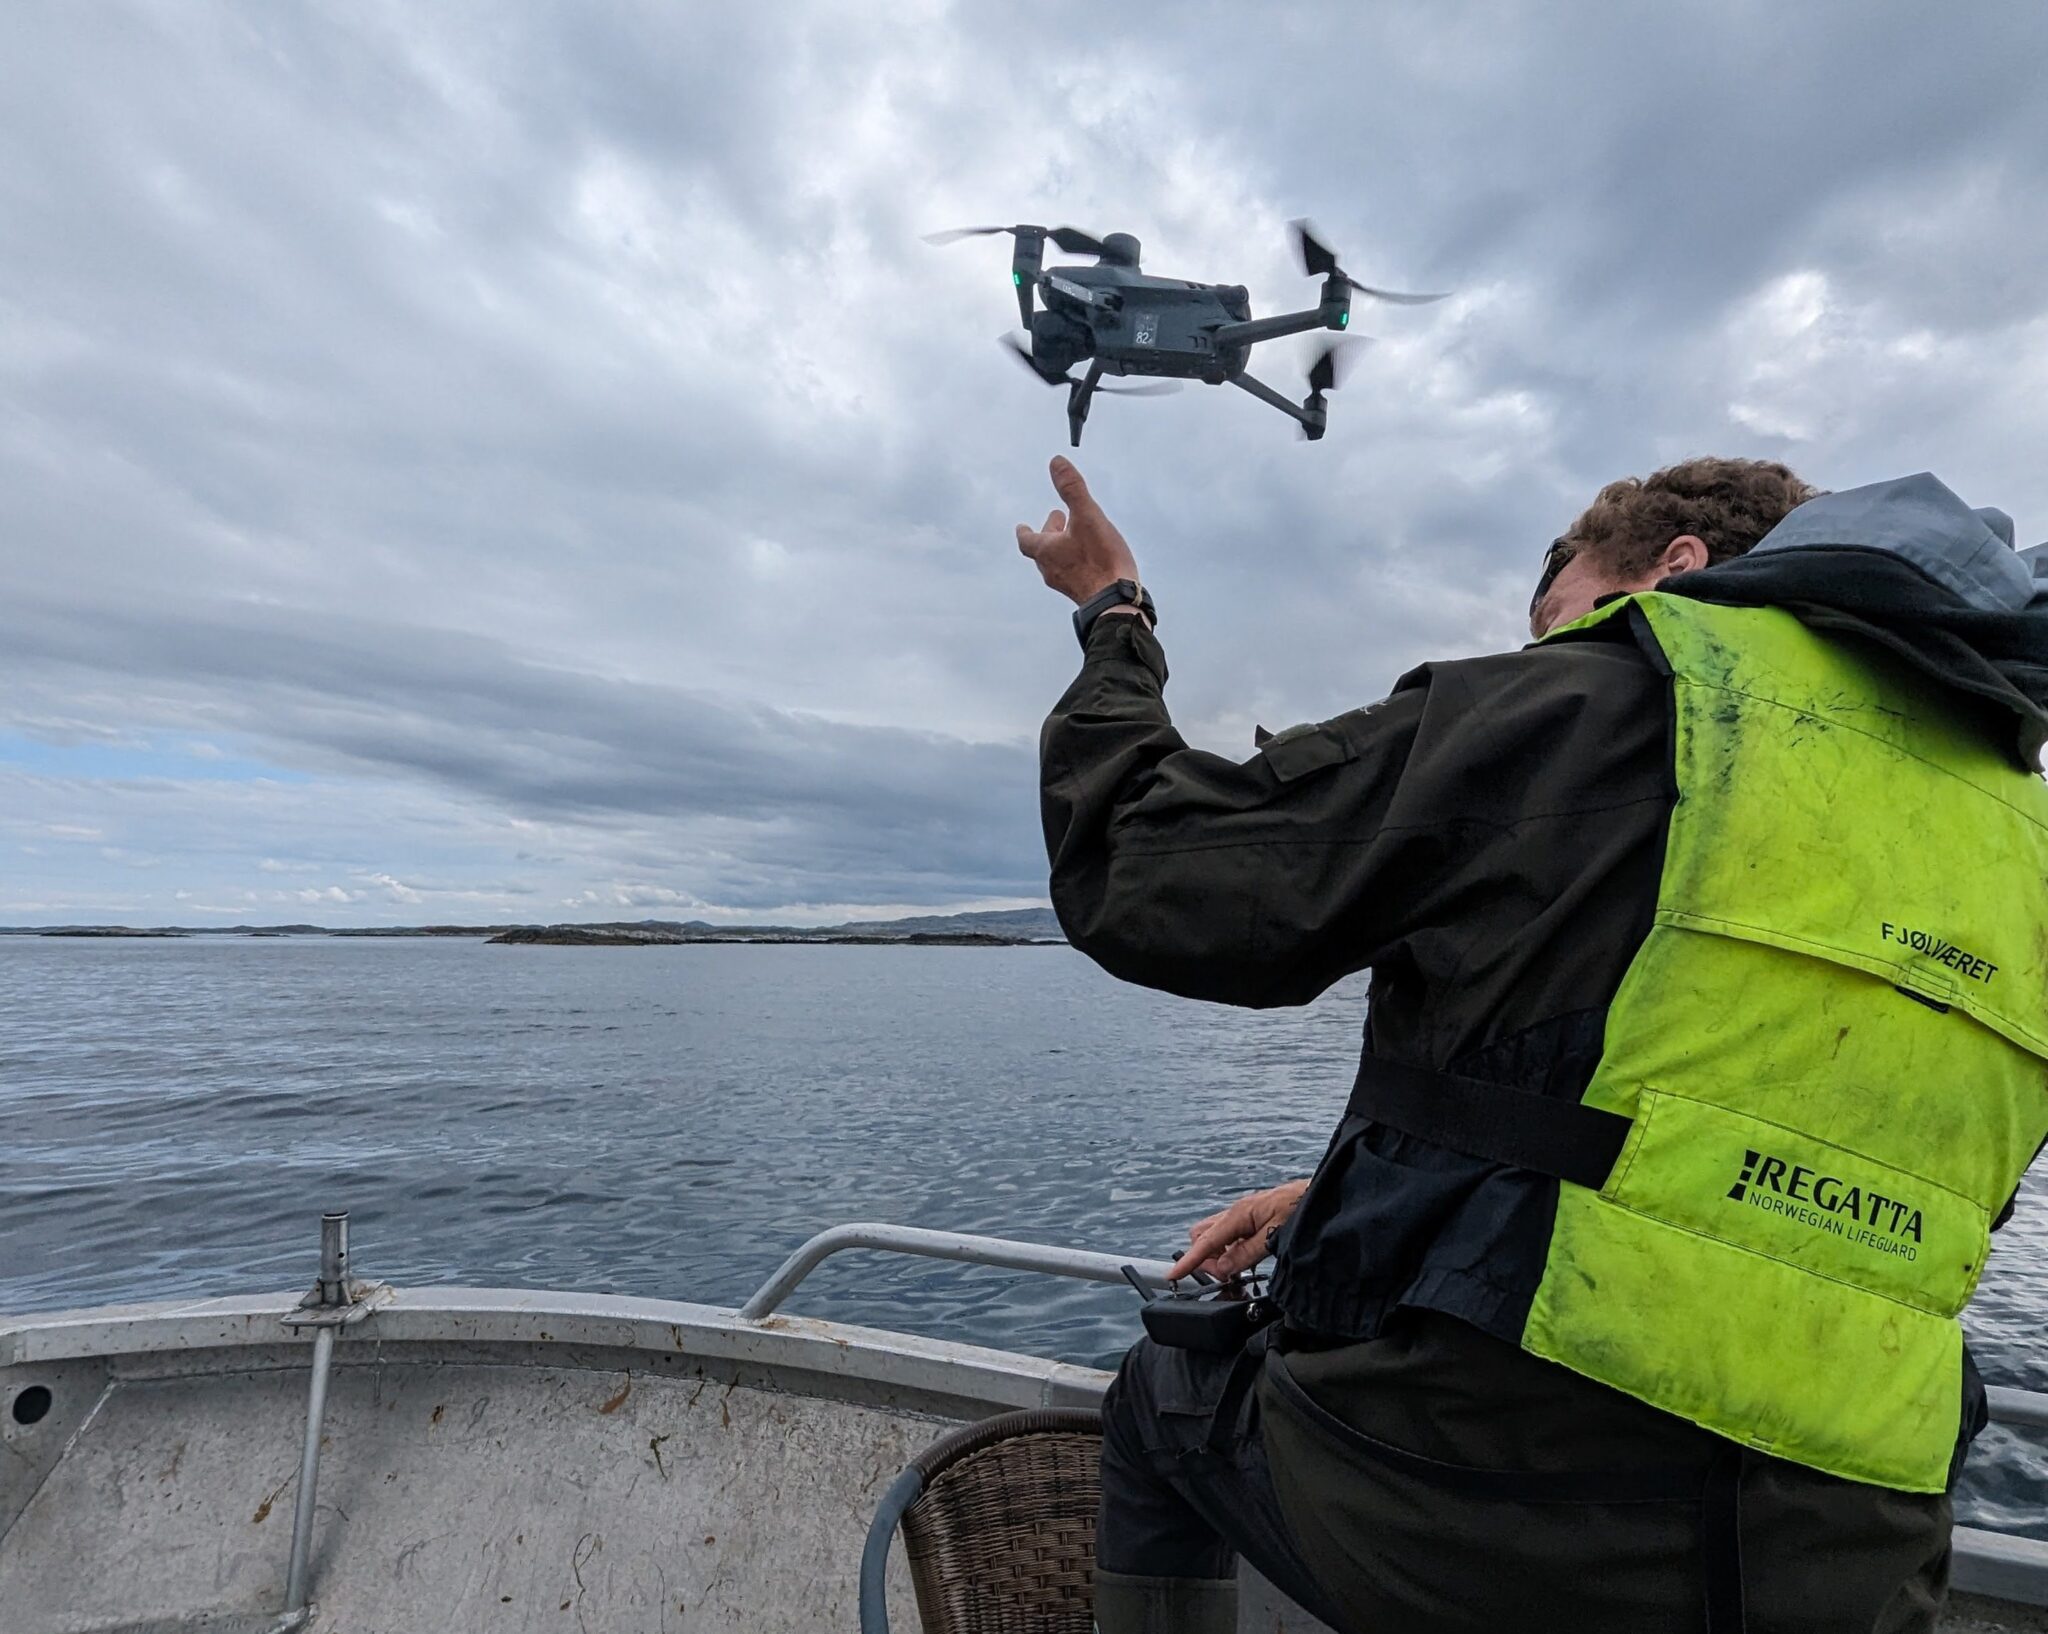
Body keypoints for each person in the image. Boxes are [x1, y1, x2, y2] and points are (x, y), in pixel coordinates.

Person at [1017, 453, 2048, 1634]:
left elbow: (1149, 869)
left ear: (1672, 568)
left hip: (1488, 1514)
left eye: (1551, 598)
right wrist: (1320, 1203)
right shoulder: (2012, 843)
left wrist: (1113, 615)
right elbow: (1745, 1163)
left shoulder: (1585, 704)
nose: (1541, 637)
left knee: (1160, 1401)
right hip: (1849, 1565)